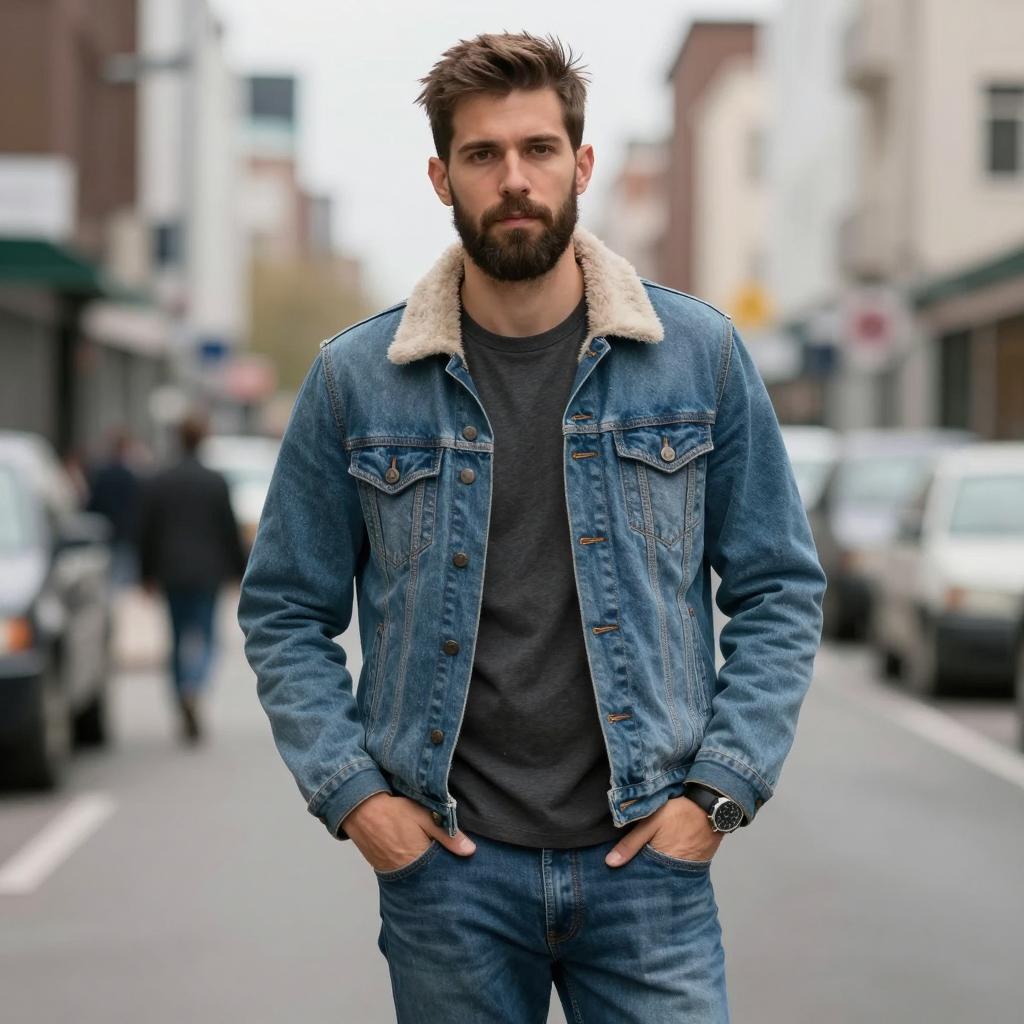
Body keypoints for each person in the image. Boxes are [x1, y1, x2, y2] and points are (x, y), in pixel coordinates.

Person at [237, 31, 826, 1023]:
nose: (514, 178)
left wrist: (717, 795)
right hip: (450, 877)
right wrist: (358, 801)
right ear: (442, 176)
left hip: (648, 865)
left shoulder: (698, 357)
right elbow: (285, 609)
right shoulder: (358, 378)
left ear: (580, 164)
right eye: (482, 154)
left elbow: (778, 586)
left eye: (538, 150)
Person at [140, 413, 247, 744]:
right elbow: (229, 529)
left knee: (175, 637)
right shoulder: (215, 481)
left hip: (170, 571)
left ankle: (181, 691)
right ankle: (194, 685)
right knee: (206, 636)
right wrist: (238, 570)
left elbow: (147, 530)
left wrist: (146, 573)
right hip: (207, 571)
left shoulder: (160, 479)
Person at [85, 426, 143, 588]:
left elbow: (92, 504)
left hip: (106, 533)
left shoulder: (102, 474)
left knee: (107, 580)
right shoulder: (132, 475)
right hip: (125, 534)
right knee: (123, 582)